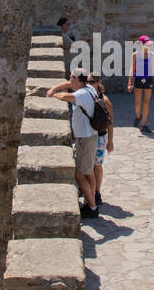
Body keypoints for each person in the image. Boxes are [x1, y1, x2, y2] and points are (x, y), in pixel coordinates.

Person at [46, 71, 102, 217]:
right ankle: (92, 199)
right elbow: (67, 85)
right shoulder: (89, 88)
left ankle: (92, 207)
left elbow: (66, 96)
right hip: (89, 136)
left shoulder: (81, 94)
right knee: (88, 171)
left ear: (78, 80)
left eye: (72, 77)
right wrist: (54, 88)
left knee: (79, 175)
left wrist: (55, 95)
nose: (69, 80)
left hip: (86, 139)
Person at [89, 74, 113, 207]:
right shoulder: (87, 96)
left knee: (97, 166)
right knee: (88, 165)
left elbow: (111, 122)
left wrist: (110, 141)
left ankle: (97, 192)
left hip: (100, 137)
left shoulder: (105, 100)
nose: (89, 83)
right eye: (87, 81)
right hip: (88, 136)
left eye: (92, 81)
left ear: (98, 82)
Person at [128, 35, 154, 132]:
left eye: (149, 45)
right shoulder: (135, 55)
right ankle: (138, 116)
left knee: (147, 102)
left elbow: (153, 68)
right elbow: (131, 69)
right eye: (146, 45)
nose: (148, 46)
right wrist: (129, 82)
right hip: (138, 79)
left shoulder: (151, 54)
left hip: (148, 79)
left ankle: (143, 125)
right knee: (137, 102)